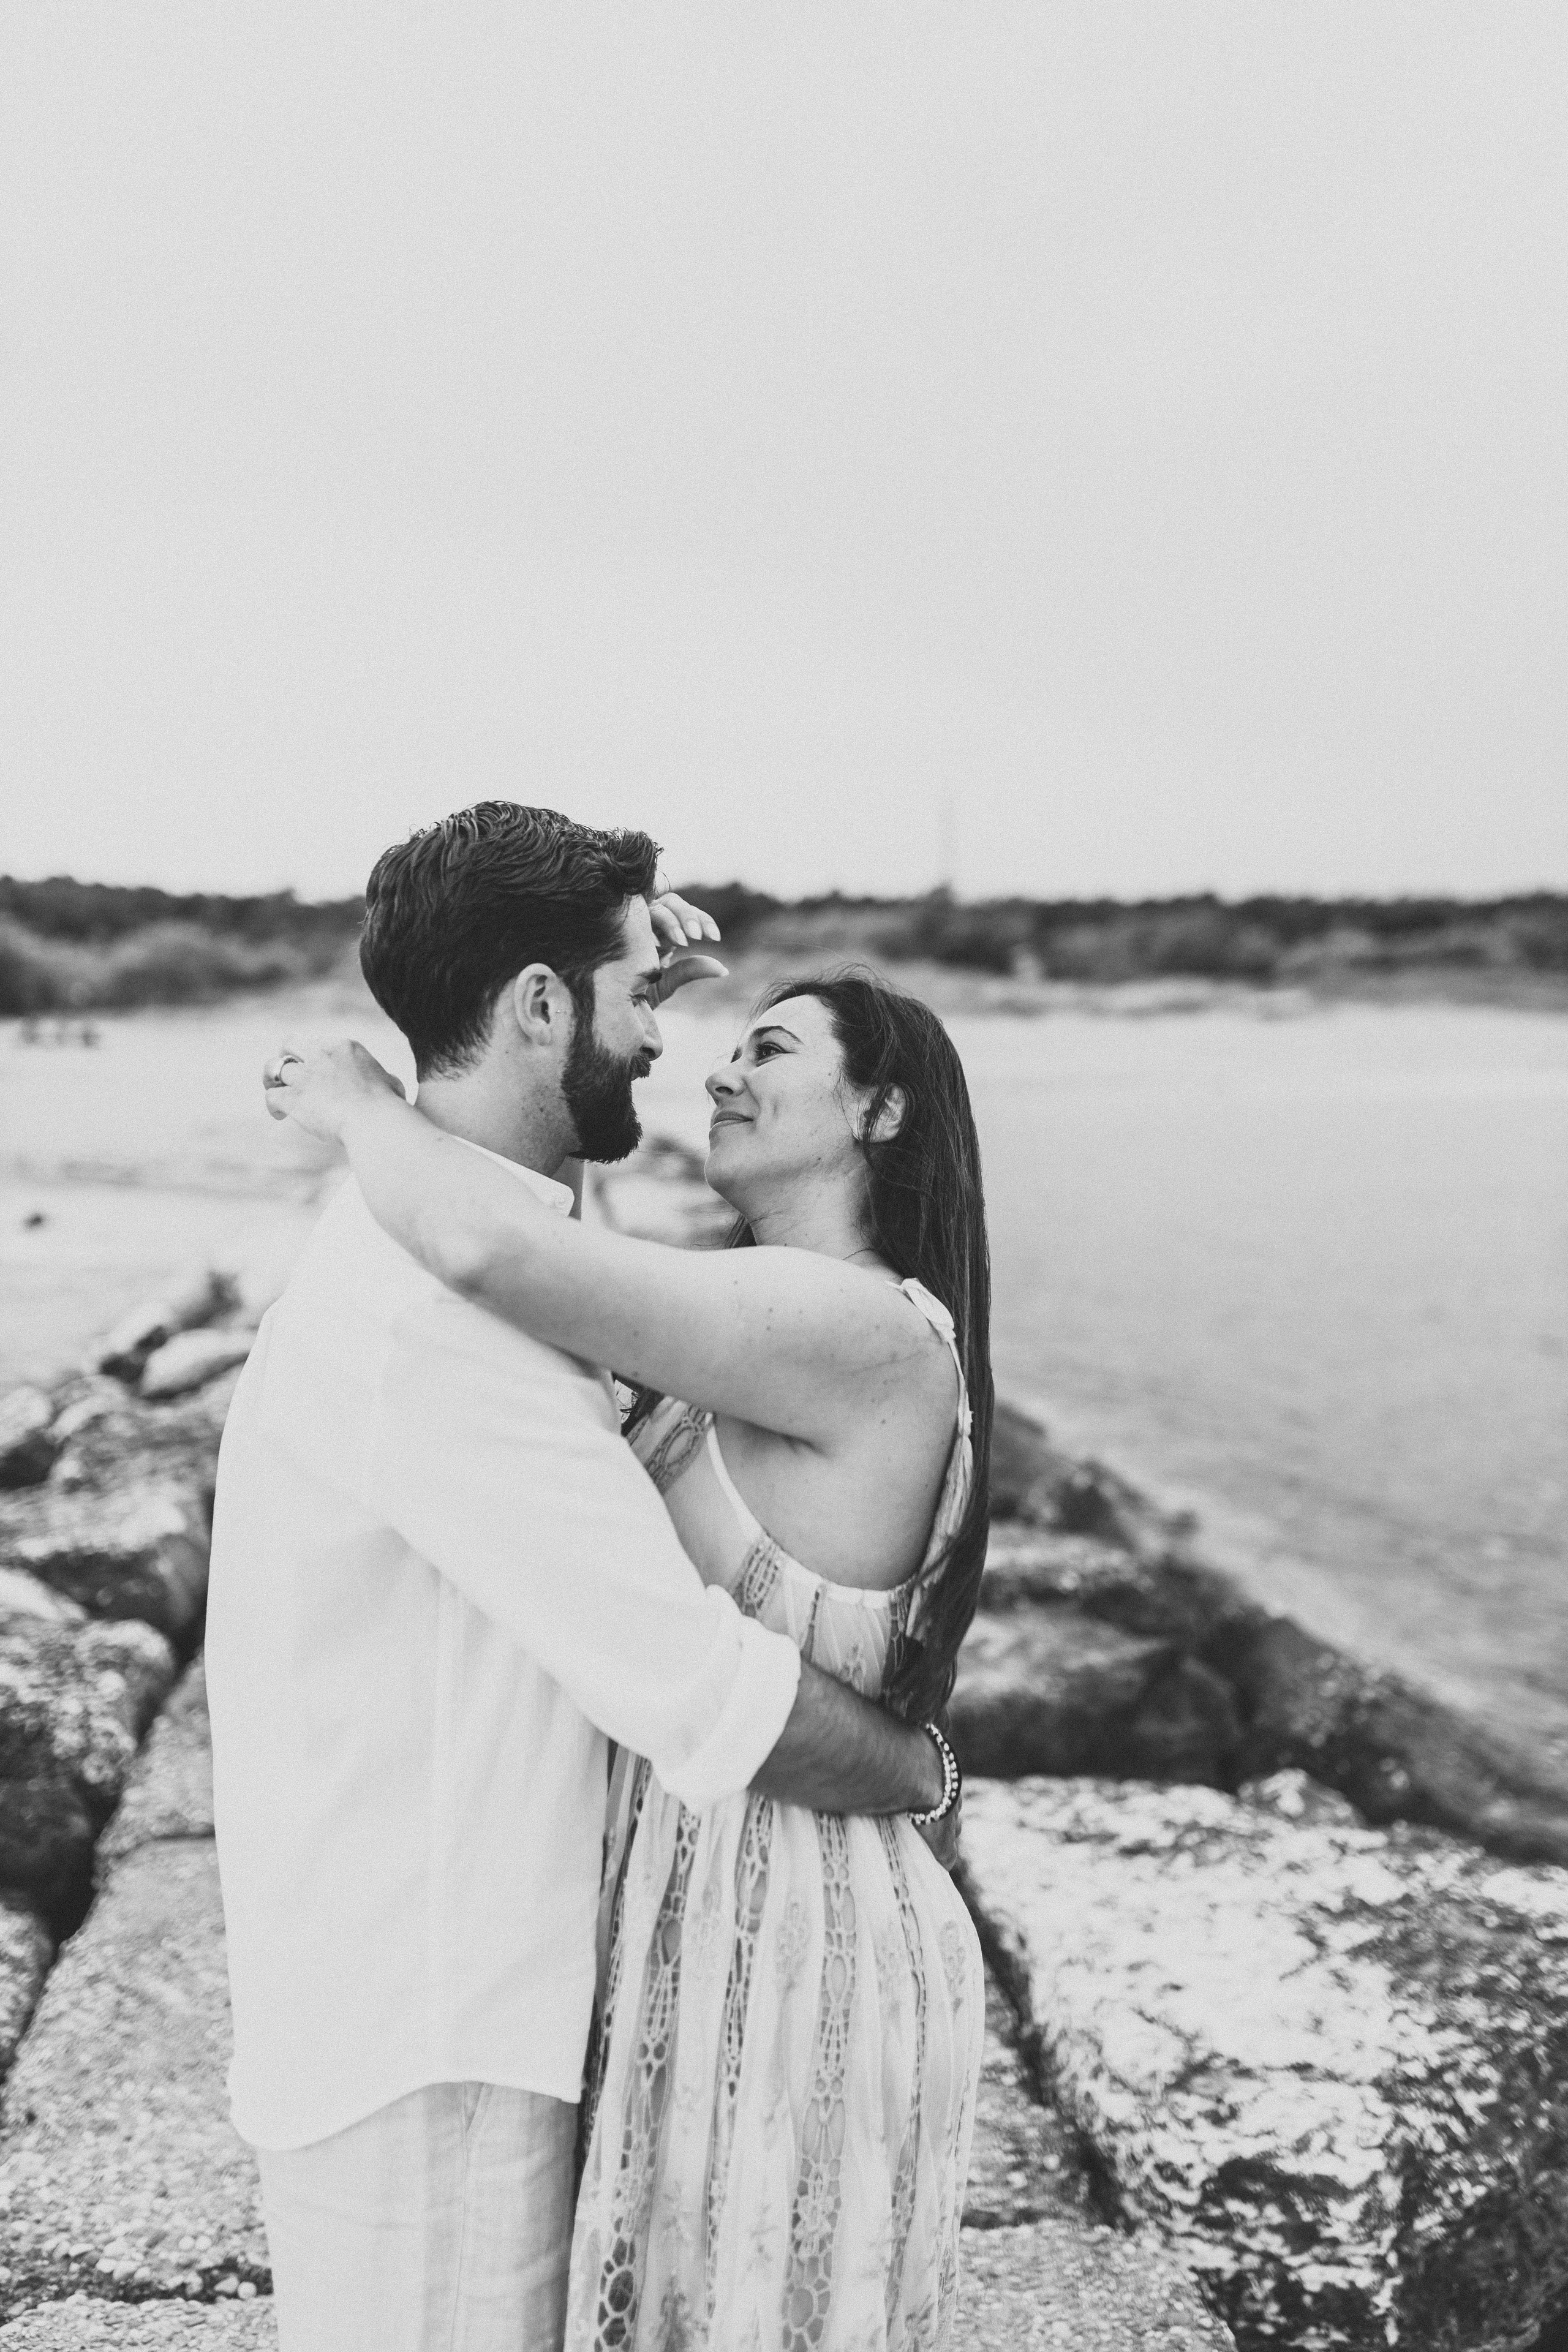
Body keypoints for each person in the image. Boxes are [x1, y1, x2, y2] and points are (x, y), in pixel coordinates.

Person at [208, 802, 962, 2352]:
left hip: (467, 1983)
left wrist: (576, 989)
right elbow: (693, 1686)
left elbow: (540, 1232)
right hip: (437, 2017)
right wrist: (918, 1767)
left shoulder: (444, 1257)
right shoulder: (440, 1318)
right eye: (640, 1003)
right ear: (543, 1004)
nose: (672, 1052)